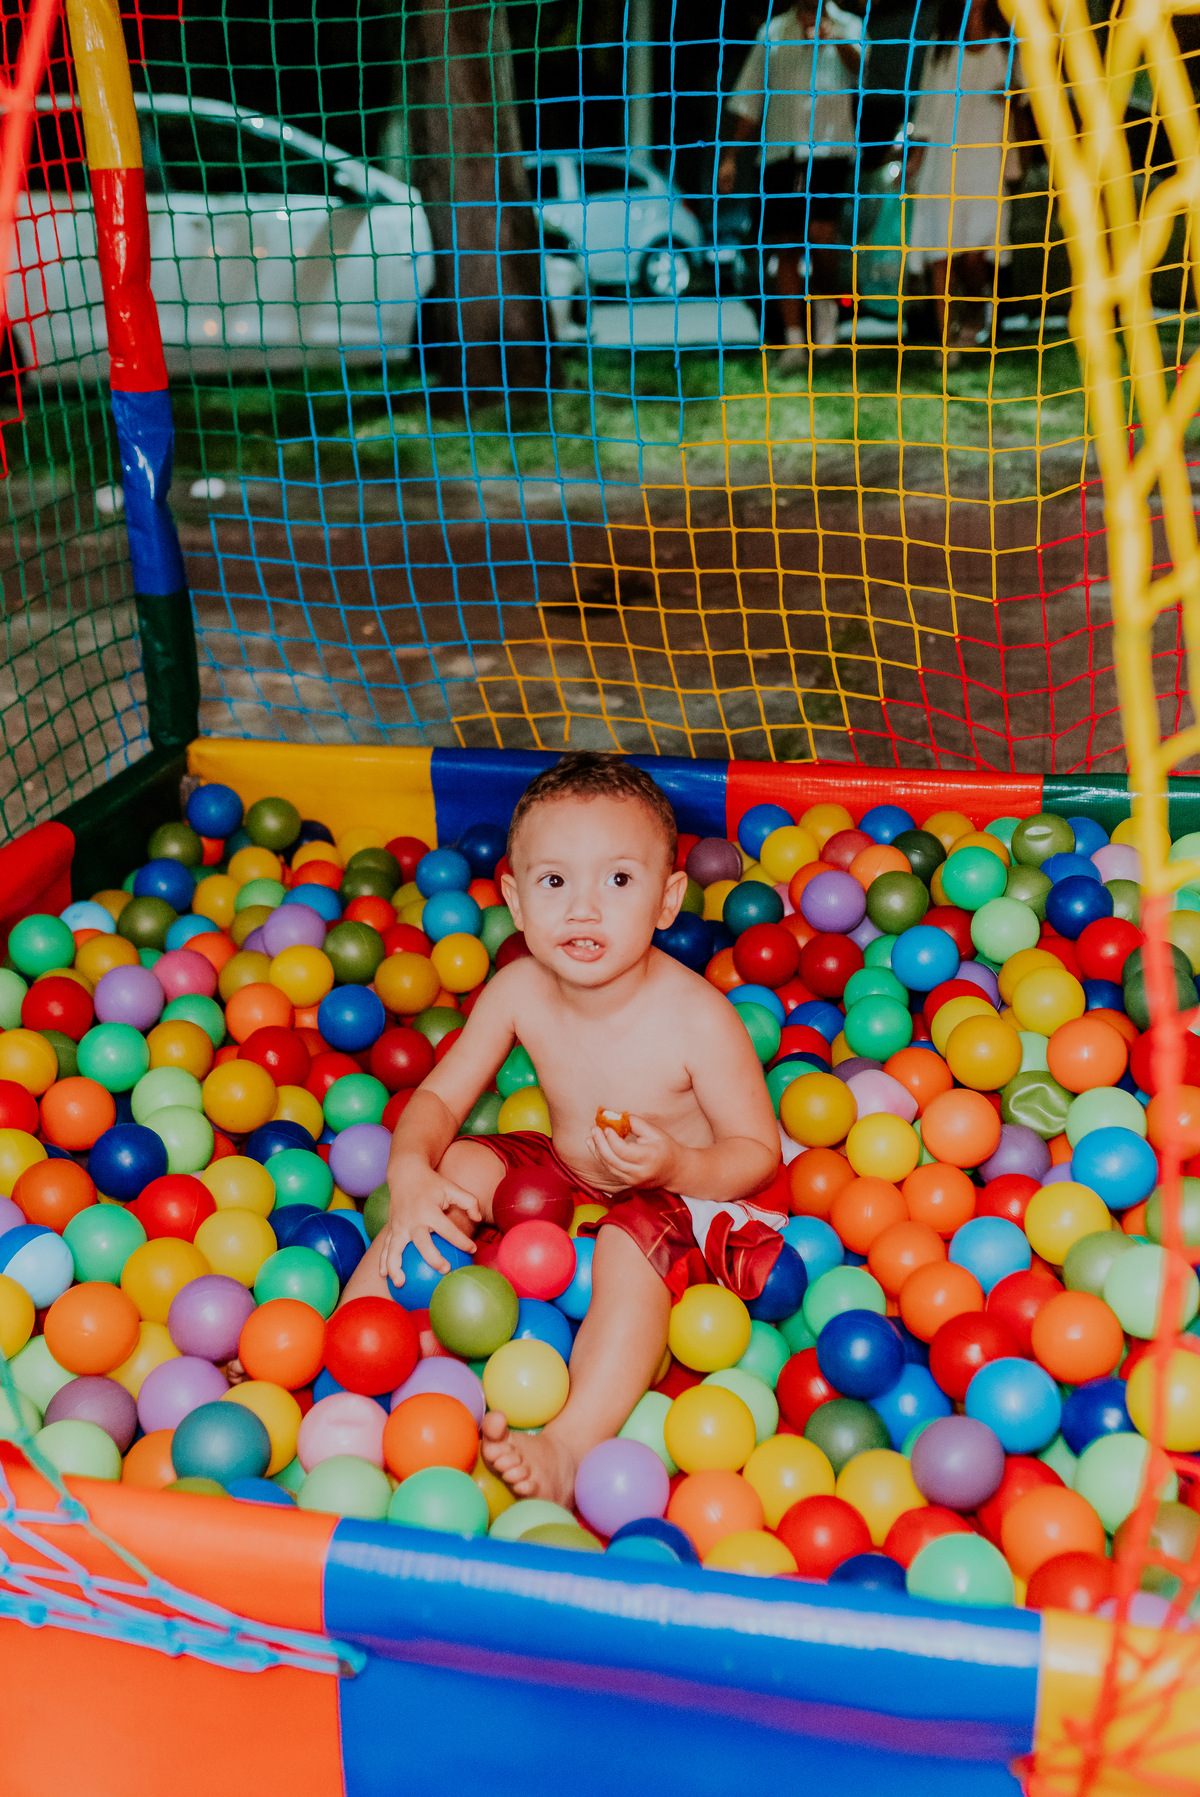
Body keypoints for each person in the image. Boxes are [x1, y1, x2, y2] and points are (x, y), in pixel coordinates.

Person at [339, 752, 784, 1506]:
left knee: (625, 1236)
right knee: (467, 1165)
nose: (584, 909)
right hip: (577, 1177)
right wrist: (413, 1174)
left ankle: (571, 1446)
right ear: (515, 900)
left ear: (668, 900)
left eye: (618, 880)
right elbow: (439, 1101)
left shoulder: (696, 1017)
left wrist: (674, 1164)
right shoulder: (518, 989)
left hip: (703, 1200)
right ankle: (349, 1348)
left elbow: (756, 1155)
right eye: (554, 882)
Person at [717, 0, 865, 375]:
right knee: (784, 244)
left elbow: (861, 71)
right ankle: (794, 341)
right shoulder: (771, 33)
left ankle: (826, 308)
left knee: (821, 235)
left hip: (830, 152)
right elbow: (749, 100)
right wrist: (730, 156)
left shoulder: (850, 24)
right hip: (780, 153)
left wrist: (835, 39)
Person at [906, 0, 1032, 366]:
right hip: (943, 162)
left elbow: (1024, 103)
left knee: (975, 256)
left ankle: (976, 312)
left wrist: (1011, 94)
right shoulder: (940, 47)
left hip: (986, 164)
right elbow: (926, 111)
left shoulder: (1008, 45)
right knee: (941, 252)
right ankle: (946, 341)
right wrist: (915, 160)